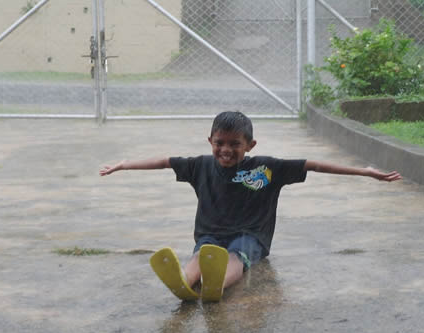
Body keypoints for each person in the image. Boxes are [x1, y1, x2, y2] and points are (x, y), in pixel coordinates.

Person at [100, 111, 401, 301]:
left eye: (235, 144)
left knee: (236, 256)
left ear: (250, 146)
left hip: (251, 235)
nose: (226, 150)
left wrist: (364, 171)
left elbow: (315, 164)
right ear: (210, 141)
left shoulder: (267, 168)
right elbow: (165, 162)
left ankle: (214, 287)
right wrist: (124, 164)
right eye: (220, 143)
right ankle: (185, 281)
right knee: (201, 253)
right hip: (210, 234)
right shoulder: (200, 165)